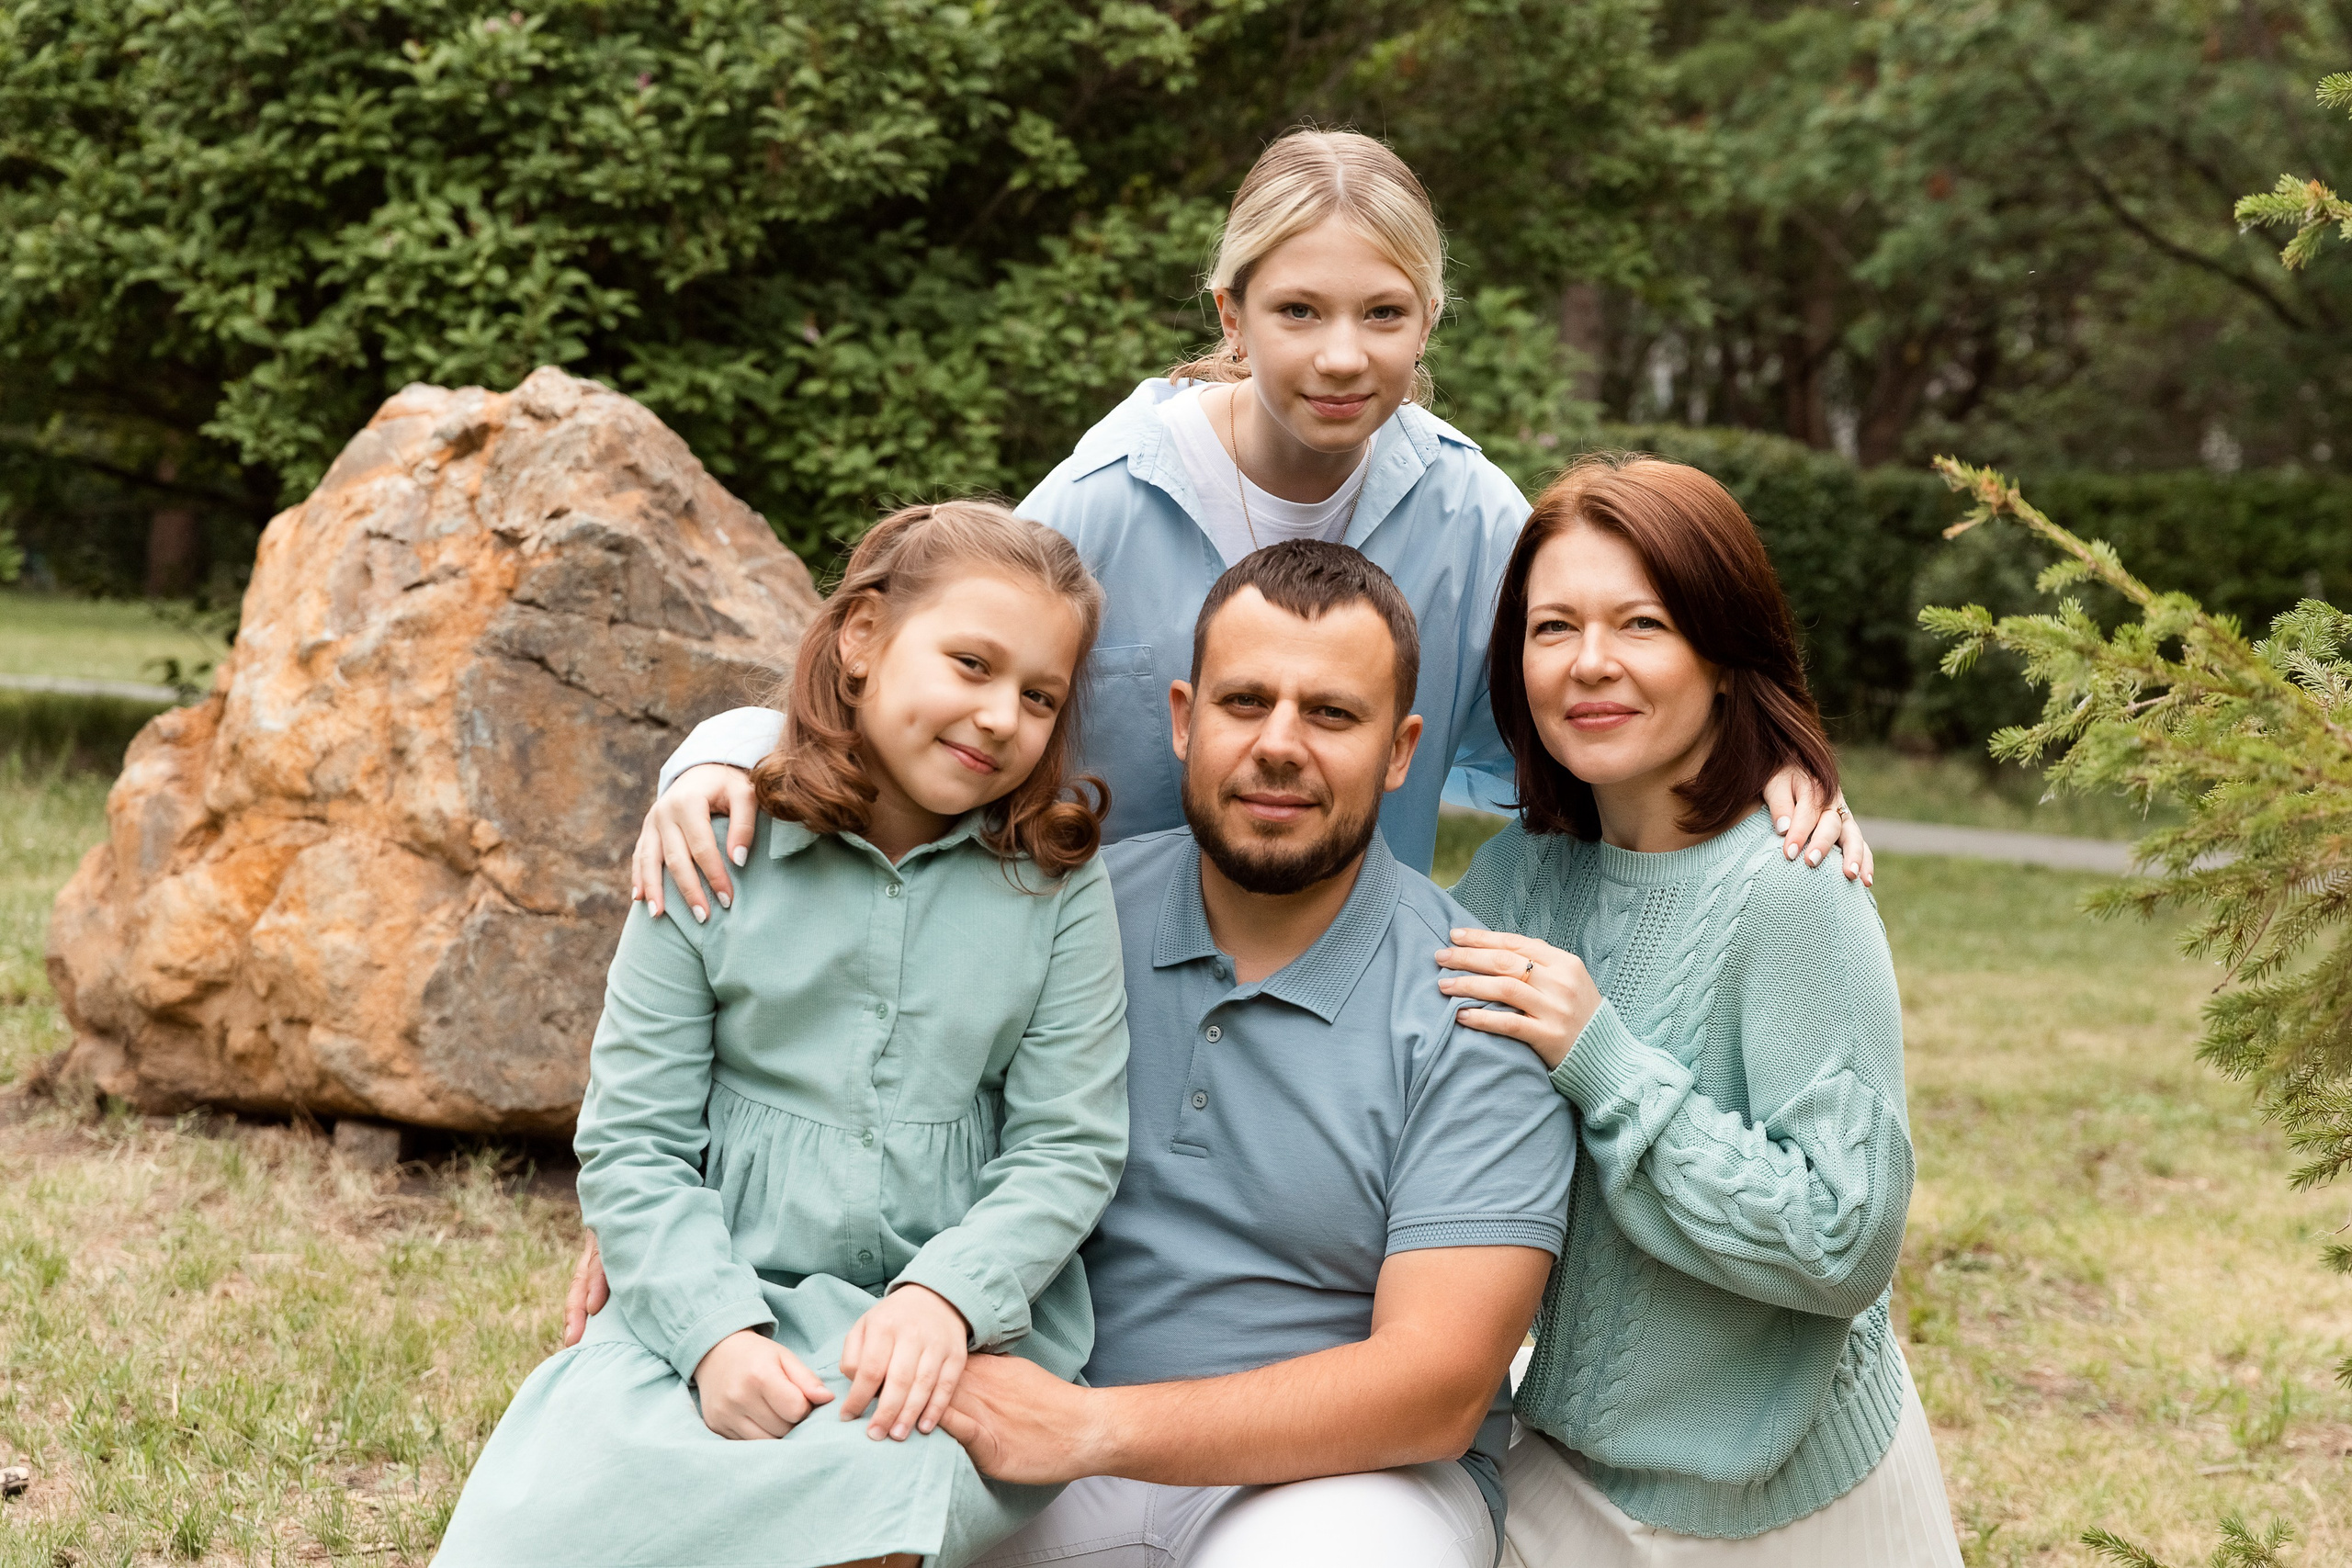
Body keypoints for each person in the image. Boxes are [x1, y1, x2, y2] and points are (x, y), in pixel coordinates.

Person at [572, 542, 1579, 1567]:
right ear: (1183, 720)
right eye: (1244, 703)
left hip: (1338, 1488)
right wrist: (721, 754)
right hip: (1016, 1451)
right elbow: (823, 1080)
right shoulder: (1049, 903)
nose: (1280, 746)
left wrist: (1098, 1430)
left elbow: (1437, 1390)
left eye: (1331, 714)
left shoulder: (1477, 999)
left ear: (1401, 749)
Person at [628, 126, 1870, 914]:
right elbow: (930, 686)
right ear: (1232, 311)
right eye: (1298, 312)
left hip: (1336, 1002)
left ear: (1429, 321)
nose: (1344, 356)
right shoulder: (1103, 498)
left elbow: (1586, 731)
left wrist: (1771, 779)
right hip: (1088, 982)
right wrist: (719, 753)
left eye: (1384, 314)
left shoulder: (1472, 517)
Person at [434, 502, 1133, 1568]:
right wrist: (712, 1333)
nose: (999, 716)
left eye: (1038, 696)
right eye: (970, 664)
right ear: (861, 640)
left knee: (872, 1486)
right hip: (717, 1287)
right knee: (538, 1527)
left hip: (941, 1321)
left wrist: (946, 1300)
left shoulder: (1055, 885)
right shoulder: (715, 847)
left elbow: (1067, 1145)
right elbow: (634, 1141)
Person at [1433, 457, 1964, 1565]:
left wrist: (1603, 1061)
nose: (1590, 665)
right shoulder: (1519, 877)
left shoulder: (1790, 883)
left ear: (1723, 655)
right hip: (1564, 1465)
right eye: (1552, 628)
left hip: (1785, 1498)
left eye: (1642, 624)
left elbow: (1843, 1238)